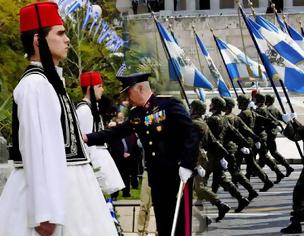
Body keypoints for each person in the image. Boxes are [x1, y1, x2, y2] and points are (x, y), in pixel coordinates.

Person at [0, 2, 118, 235]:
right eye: (60, 33)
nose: (67, 40)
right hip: (56, 196)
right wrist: (44, 212)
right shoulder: (35, 84)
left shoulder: (48, 82)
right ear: (38, 40)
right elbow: (36, 148)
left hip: (71, 188)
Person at [84, 72, 199, 236]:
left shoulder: (169, 105)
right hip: (157, 177)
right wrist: (87, 138)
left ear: (140, 88)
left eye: (128, 92)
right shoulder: (136, 113)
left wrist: (187, 164)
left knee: (179, 224)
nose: (127, 97)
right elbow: (116, 132)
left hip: (177, 174)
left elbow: (191, 133)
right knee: (163, 223)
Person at [76, 71, 125, 195]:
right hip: (93, 163)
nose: (102, 90)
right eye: (99, 86)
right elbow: (85, 142)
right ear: (90, 88)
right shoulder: (84, 110)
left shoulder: (90, 108)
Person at [190, 100, 230, 222]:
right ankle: (205, 215)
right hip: (200, 157)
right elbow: (213, 142)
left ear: (195, 110)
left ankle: (220, 205)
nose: (189, 110)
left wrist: (197, 164)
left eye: (191, 108)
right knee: (195, 190)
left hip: (195, 158)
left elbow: (193, 143)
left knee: (198, 188)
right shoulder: (202, 123)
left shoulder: (195, 124)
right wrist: (223, 155)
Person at [280, 103, 304, 234]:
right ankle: (301, 218)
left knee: (299, 194)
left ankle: (296, 224)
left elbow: (295, 136)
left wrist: (288, 123)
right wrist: (294, 121)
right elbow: (302, 131)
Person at [265, 94, 294, 177]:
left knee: (265, 154)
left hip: (267, 134)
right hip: (273, 133)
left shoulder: (267, 110)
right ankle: (287, 167)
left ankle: (256, 170)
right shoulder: (275, 109)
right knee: (272, 153)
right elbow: (281, 118)